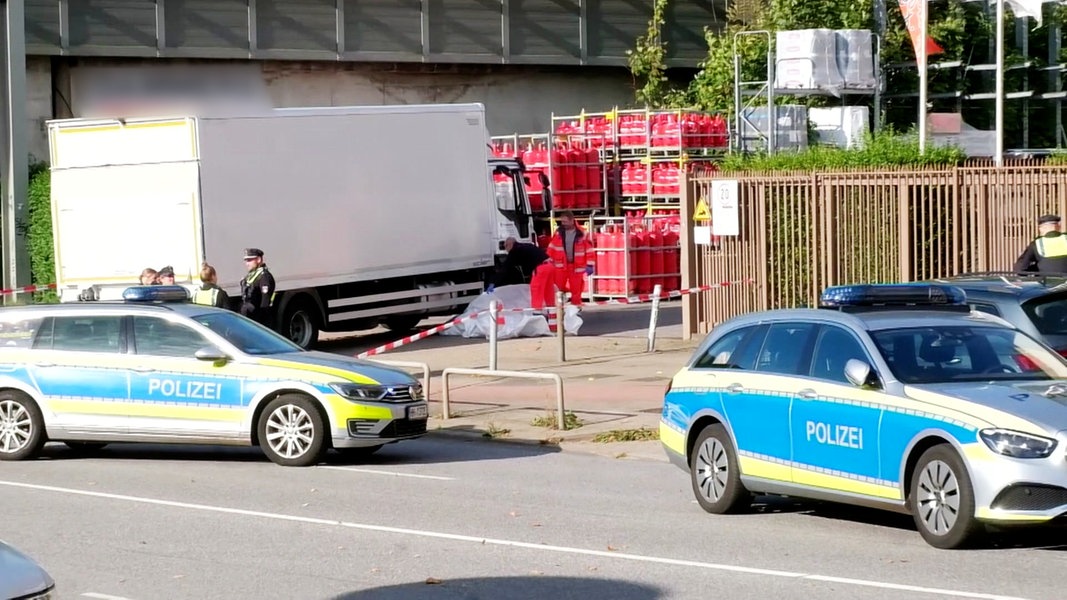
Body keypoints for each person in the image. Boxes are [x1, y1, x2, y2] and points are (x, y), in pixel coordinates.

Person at [546, 211, 594, 308]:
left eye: (565, 222)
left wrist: (590, 265)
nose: (563, 224)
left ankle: (575, 310)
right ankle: (559, 310)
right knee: (558, 289)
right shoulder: (559, 233)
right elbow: (551, 247)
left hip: (576, 267)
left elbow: (589, 250)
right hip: (560, 266)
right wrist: (548, 260)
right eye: (562, 222)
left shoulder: (582, 233)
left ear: (572, 221)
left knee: (576, 290)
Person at [239, 248, 276, 326]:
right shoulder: (251, 276)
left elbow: (265, 303)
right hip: (249, 319)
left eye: (249, 260)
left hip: (257, 321)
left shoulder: (264, 277)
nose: (247, 263)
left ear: (258, 259)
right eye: (246, 261)